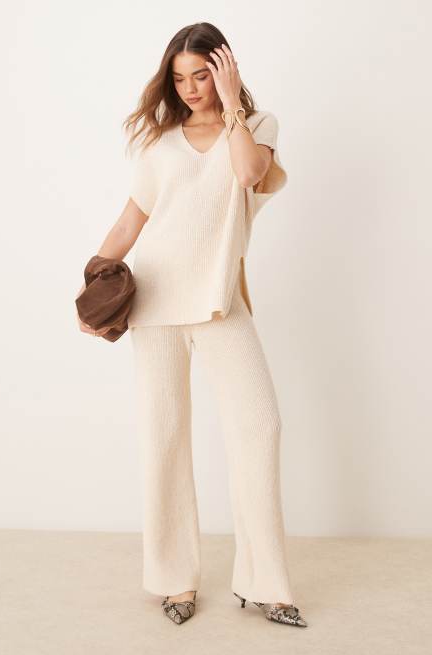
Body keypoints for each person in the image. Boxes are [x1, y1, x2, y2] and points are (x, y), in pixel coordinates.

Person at [76, 22, 308, 628]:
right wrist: (90, 291)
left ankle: (265, 583)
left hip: (219, 303)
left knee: (260, 426)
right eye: (179, 79)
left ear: (225, 69)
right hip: (155, 303)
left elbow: (249, 175)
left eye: (201, 75)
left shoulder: (256, 127)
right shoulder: (159, 143)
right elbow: (130, 223)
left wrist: (231, 105)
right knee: (165, 438)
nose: (190, 88)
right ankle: (174, 580)